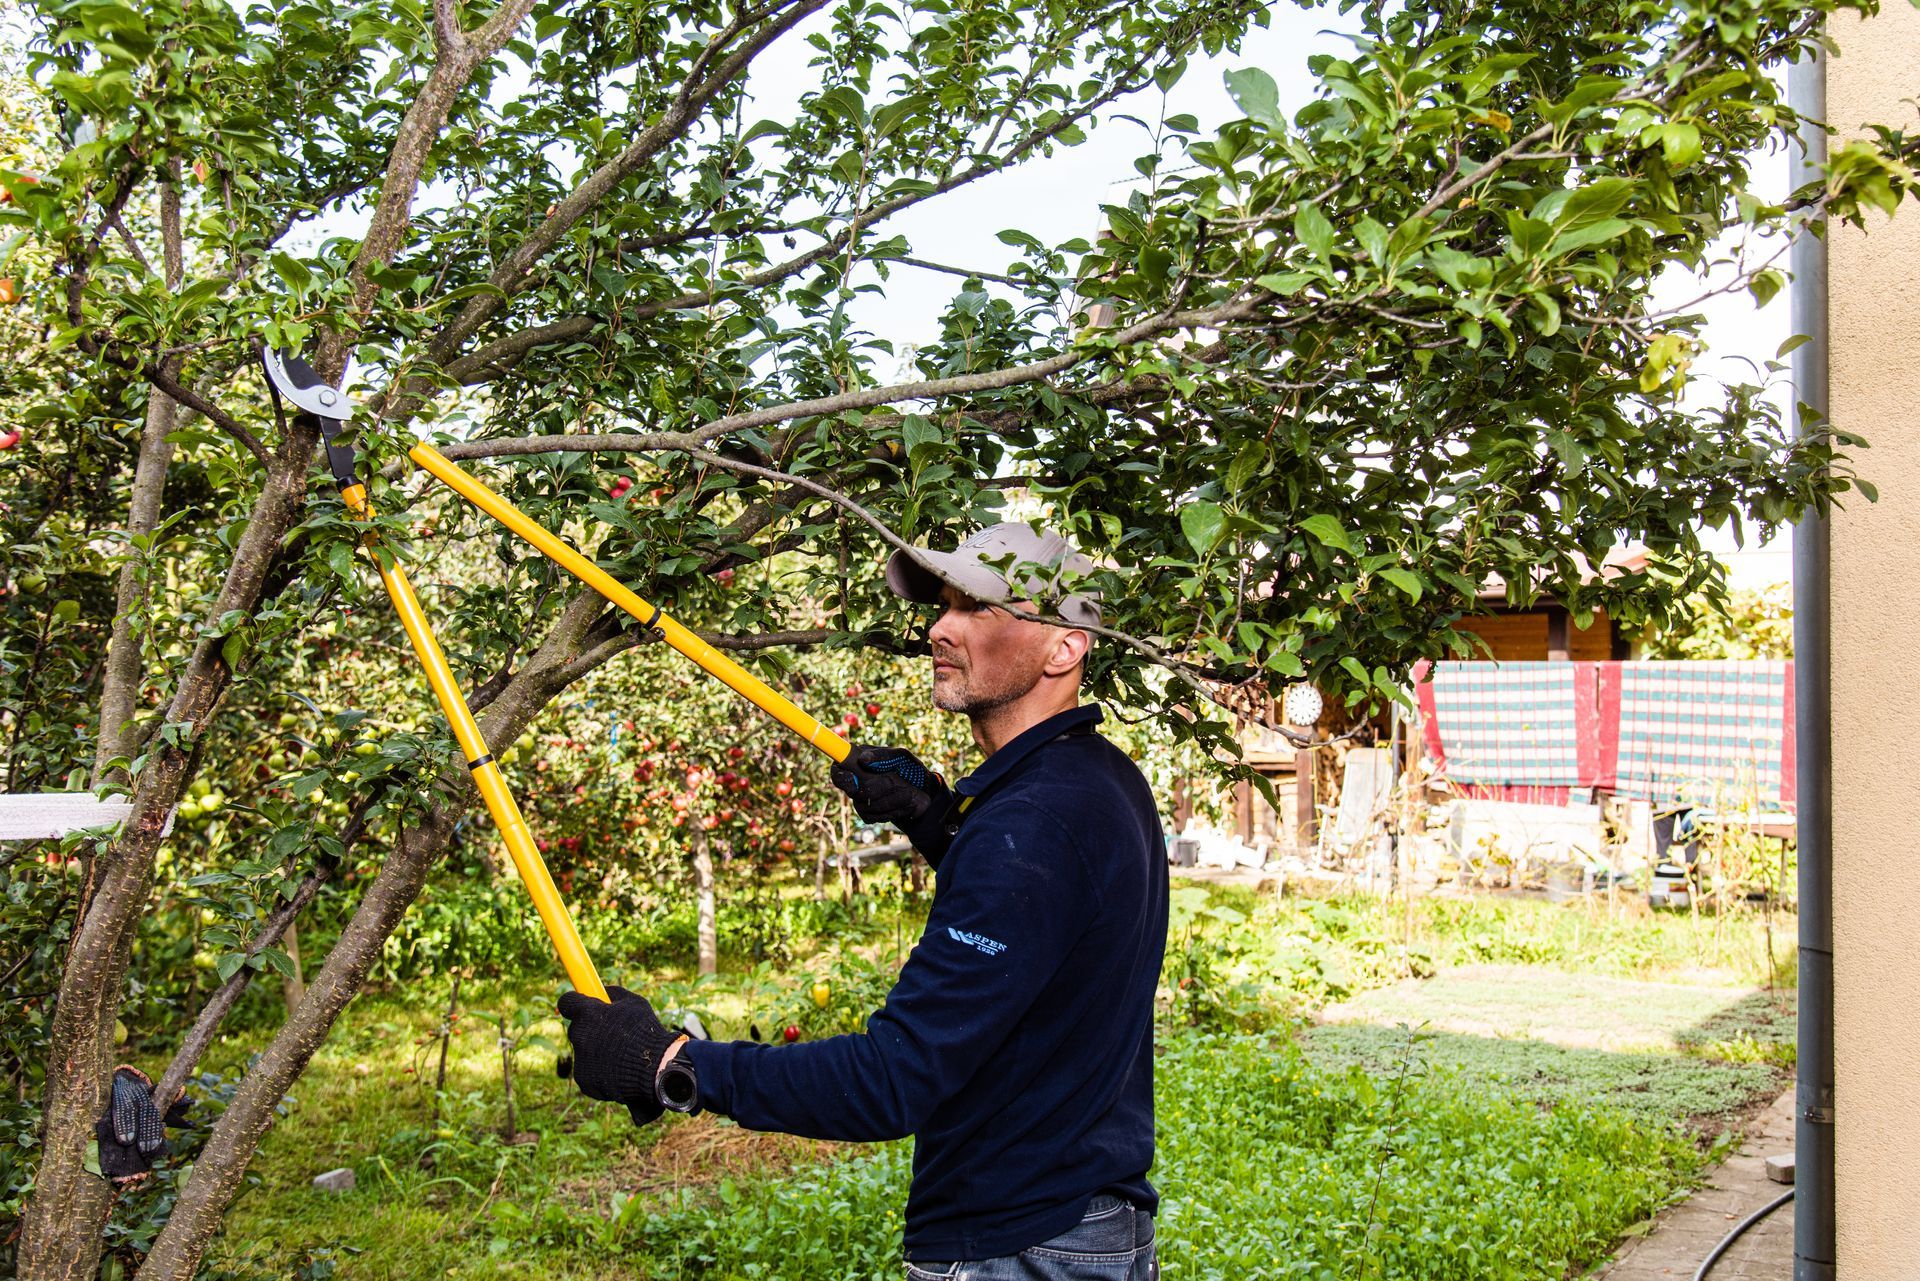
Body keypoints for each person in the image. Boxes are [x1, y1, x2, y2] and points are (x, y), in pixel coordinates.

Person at [558, 523, 1167, 1280]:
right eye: (942, 606)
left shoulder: (1033, 825)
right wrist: (938, 821)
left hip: (1017, 1244)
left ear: (1063, 647)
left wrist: (671, 1064)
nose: (939, 629)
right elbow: (1051, 935)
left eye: (975, 607)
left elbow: (895, 1078)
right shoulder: (1101, 780)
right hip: (1085, 1216)